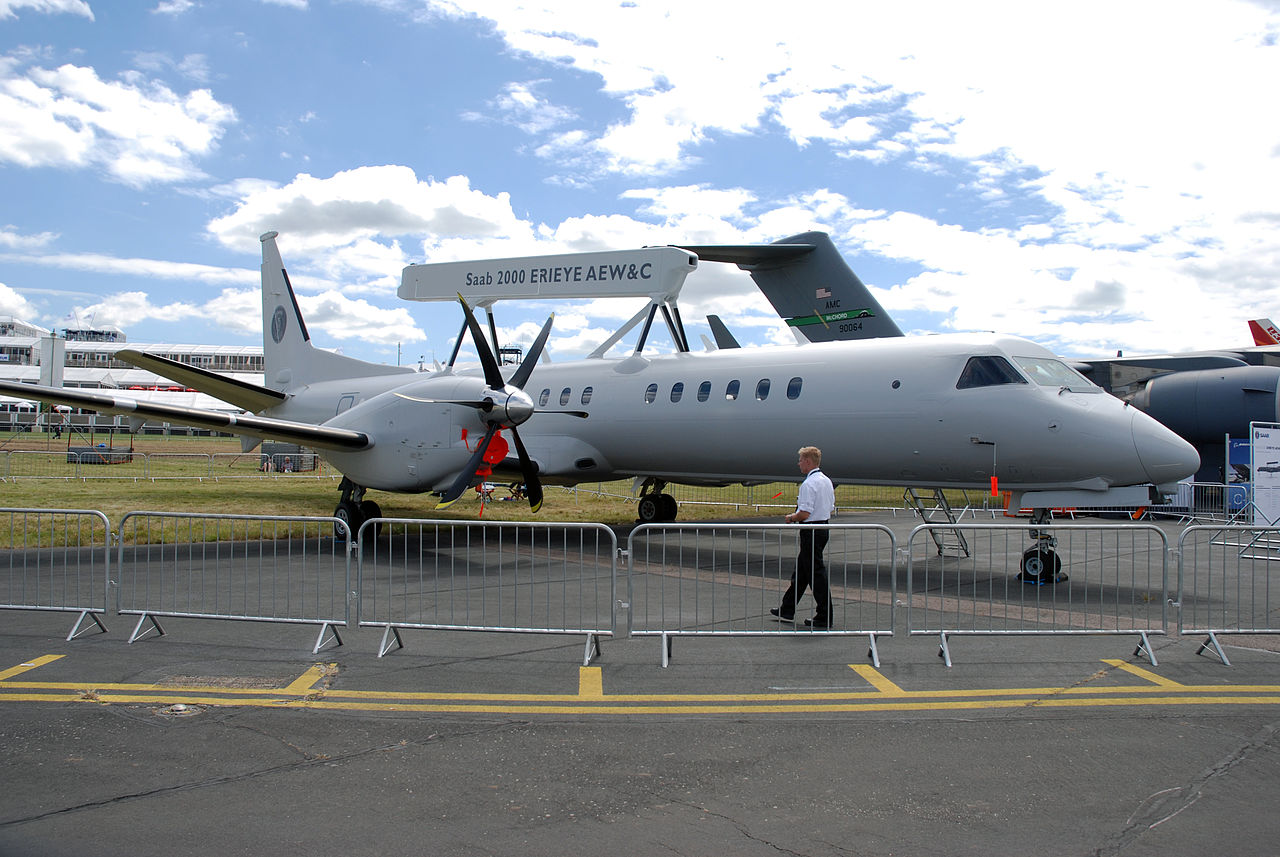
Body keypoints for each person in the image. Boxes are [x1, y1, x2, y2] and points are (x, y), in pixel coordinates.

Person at [771, 445, 836, 627]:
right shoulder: (826, 481)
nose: (798, 464)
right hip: (823, 528)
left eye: (800, 460)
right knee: (802, 572)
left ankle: (825, 615)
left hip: (811, 530)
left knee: (815, 574)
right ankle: (787, 608)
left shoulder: (808, 484)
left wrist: (792, 517)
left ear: (808, 462)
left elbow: (805, 513)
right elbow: (830, 507)